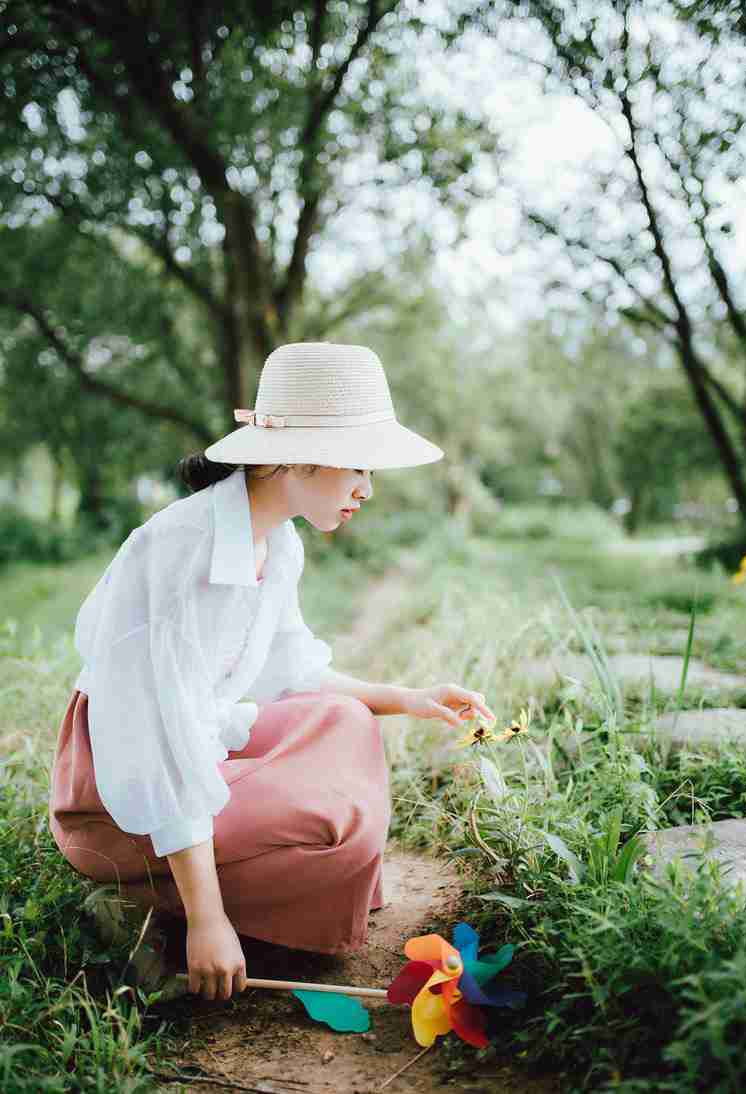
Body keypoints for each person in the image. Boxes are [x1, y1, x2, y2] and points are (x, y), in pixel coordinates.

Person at [48, 341, 496, 1003]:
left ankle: (209, 901)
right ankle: (151, 912)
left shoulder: (278, 544)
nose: (367, 488)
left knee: (349, 730)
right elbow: (152, 745)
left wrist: (412, 699)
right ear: (293, 457)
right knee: (330, 825)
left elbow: (297, 673)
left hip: (195, 743)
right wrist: (209, 919)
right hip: (115, 799)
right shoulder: (175, 550)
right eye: (358, 466)